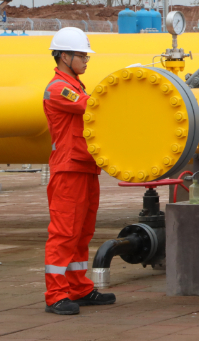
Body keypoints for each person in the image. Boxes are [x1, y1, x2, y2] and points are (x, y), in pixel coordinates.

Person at [43, 27, 115, 315]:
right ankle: (56, 295)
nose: (86, 60)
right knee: (64, 233)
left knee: (82, 232)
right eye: (82, 56)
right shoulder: (58, 88)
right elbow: (92, 107)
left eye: (86, 56)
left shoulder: (75, 86)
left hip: (84, 168)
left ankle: (79, 288)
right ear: (63, 56)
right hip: (69, 170)